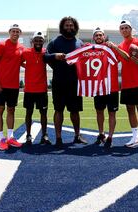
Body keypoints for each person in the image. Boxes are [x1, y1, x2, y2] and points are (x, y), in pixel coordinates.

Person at [108, 20, 138, 149]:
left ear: (131, 29)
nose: (124, 30)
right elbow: (113, 60)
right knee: (130, 110)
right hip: (126, 84)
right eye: (122, 28)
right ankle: (135, 136)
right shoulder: (121, 45)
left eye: (126, 27)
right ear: (119, 31)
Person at [46, 16, 87, 148]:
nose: (69, 27)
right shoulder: (54, 42)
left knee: (75, 111)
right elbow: (45, 57)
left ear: (75, 27)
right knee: (59, 110)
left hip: (75, 83)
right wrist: (55, 56)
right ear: (62, 27)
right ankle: (58, 138)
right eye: (66, 25)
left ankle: (77, 135)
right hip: (59, 82)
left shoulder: (80, 43)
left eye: (71, 25)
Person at [90, 27, 129, 149]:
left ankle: (110, 137)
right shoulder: (91, 50)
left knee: (112, 113)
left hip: (111, 87)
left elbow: (125, 57)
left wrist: (114, 47)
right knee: (99, 111)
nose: (98, 37)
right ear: (93, 38)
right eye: (96, 35)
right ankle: (101, 133)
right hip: (98, 87)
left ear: (104, 36)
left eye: (100, 35)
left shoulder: (112, 48)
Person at [0, 24, 24, 151]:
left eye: (17, 31)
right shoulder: (1, 45)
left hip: (14, 85)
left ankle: (10, 137)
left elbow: (21, 63)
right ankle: (1, 139)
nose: (15, 33)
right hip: (1, 85)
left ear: (20, 33)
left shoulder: (21, 48)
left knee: (11, 110)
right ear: (9, 32)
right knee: (0, 110)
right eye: (13, 31)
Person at [21, 31, 51, 145]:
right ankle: (28, 135)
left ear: (43, 41)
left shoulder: (45, 52)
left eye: (40, 40)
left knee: (43, 113)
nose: (38, 42)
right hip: (29, 89)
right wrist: (27, 66)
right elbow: (19, 62)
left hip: (42, 89)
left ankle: (44, 135)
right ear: (32, 41)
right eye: (36, 40)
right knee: (29, 113)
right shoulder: (26, 52)